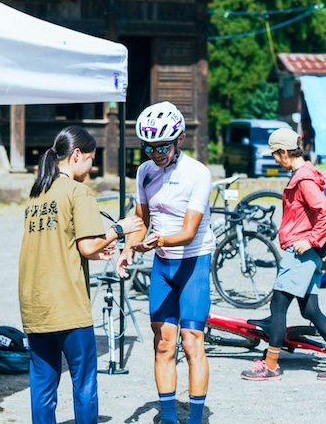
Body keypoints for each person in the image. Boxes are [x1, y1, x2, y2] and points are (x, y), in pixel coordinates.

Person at [18, 125, 143, 424]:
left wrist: (93, 249)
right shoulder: (78, 191)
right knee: (84, 382)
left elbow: (59, 243)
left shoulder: (37, 193)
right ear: (77, 155)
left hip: (35, 303)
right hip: (67, 304)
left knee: (43, 385)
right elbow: (87, 246)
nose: (92, 166)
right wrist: (120, 229)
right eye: (91, 158)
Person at [115, 101, 214, 424]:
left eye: (162, 147)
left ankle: (196, 418)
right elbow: (141, 219)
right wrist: (129, 248)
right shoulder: (144, 172)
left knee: (192, 341)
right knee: (163, 344)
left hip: (192, 261)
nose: (155, 154)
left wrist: (156, 241)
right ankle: (169, 417)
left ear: (180, 140)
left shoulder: (197, 174)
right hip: (162, 264)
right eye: (148, 148)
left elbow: (187, 232)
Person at [240, 127, 326, 381]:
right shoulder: (307, 174)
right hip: (310, 254)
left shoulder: (303, 179)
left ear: (283, 152)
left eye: (274, 155)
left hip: (300, 253)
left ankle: (270, 365)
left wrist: (311, 239)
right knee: (311, 310)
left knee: (278, 305)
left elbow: (325, 209)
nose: (275, 160)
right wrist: (318, 241)